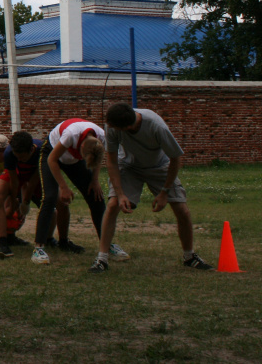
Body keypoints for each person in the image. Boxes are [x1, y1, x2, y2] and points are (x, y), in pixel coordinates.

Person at [89, 103, 213, 273]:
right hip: (129, 167)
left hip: (159, 167)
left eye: (113, 126)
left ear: (127, 127)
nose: (108, 128)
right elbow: (111, 160)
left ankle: (189, 257)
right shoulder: (112, 125)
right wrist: (120, 194)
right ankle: (102, 259)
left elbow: (176, 158)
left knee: (182, 210)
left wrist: (164, 192)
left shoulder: (156, 126)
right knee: (112, 206)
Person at [30, 119, 106, 265]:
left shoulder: (101, 137)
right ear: (81, 146)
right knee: (50, 197)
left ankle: (106, 244)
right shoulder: (71, 134)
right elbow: (52, 160)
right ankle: (38, 247)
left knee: (95, 195)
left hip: (73, 161)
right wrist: (64, 187)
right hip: (51, 155)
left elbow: (98, 159)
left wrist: (95, 180)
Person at [0, 131, 47, 260]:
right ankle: (3, 244)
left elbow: (33, 180)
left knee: (55, 200)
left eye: (22, 157)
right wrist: (15, 199)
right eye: (17, 156)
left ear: (31, 150)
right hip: (17, 174)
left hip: (35, 176)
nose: (19, 159)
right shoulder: (9, 153)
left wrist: (25, 201)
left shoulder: (42, 151)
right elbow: (14, 180)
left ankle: (53, 239)